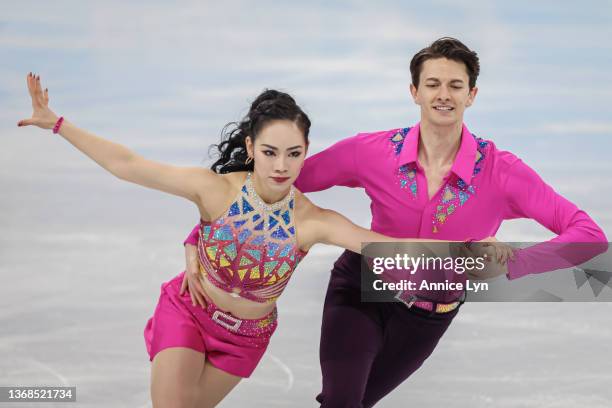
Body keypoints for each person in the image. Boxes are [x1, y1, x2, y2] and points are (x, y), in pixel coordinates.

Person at [17, 75, 509, 407]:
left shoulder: (312, 219)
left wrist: (464, 254)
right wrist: (57, 124)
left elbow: (379, 244)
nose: (280, 166)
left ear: (305, 154)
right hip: (190, 311)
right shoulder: (213, 190)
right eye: (269, 151)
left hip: (245, 339)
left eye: (293, 154)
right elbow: (128, 165)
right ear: (250, 148)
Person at [181, 37, 608, 407]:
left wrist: (513, 263)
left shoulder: (502, 173)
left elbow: (589, 238)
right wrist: (200, 234)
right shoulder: (374, 152)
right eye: (433, 84)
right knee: (342, 401)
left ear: (472, 94)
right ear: (414, 91)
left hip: (430, 313)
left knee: (355, 403)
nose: (444, 94)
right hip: (361, 290)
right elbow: (272, 183)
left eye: (455, 85)